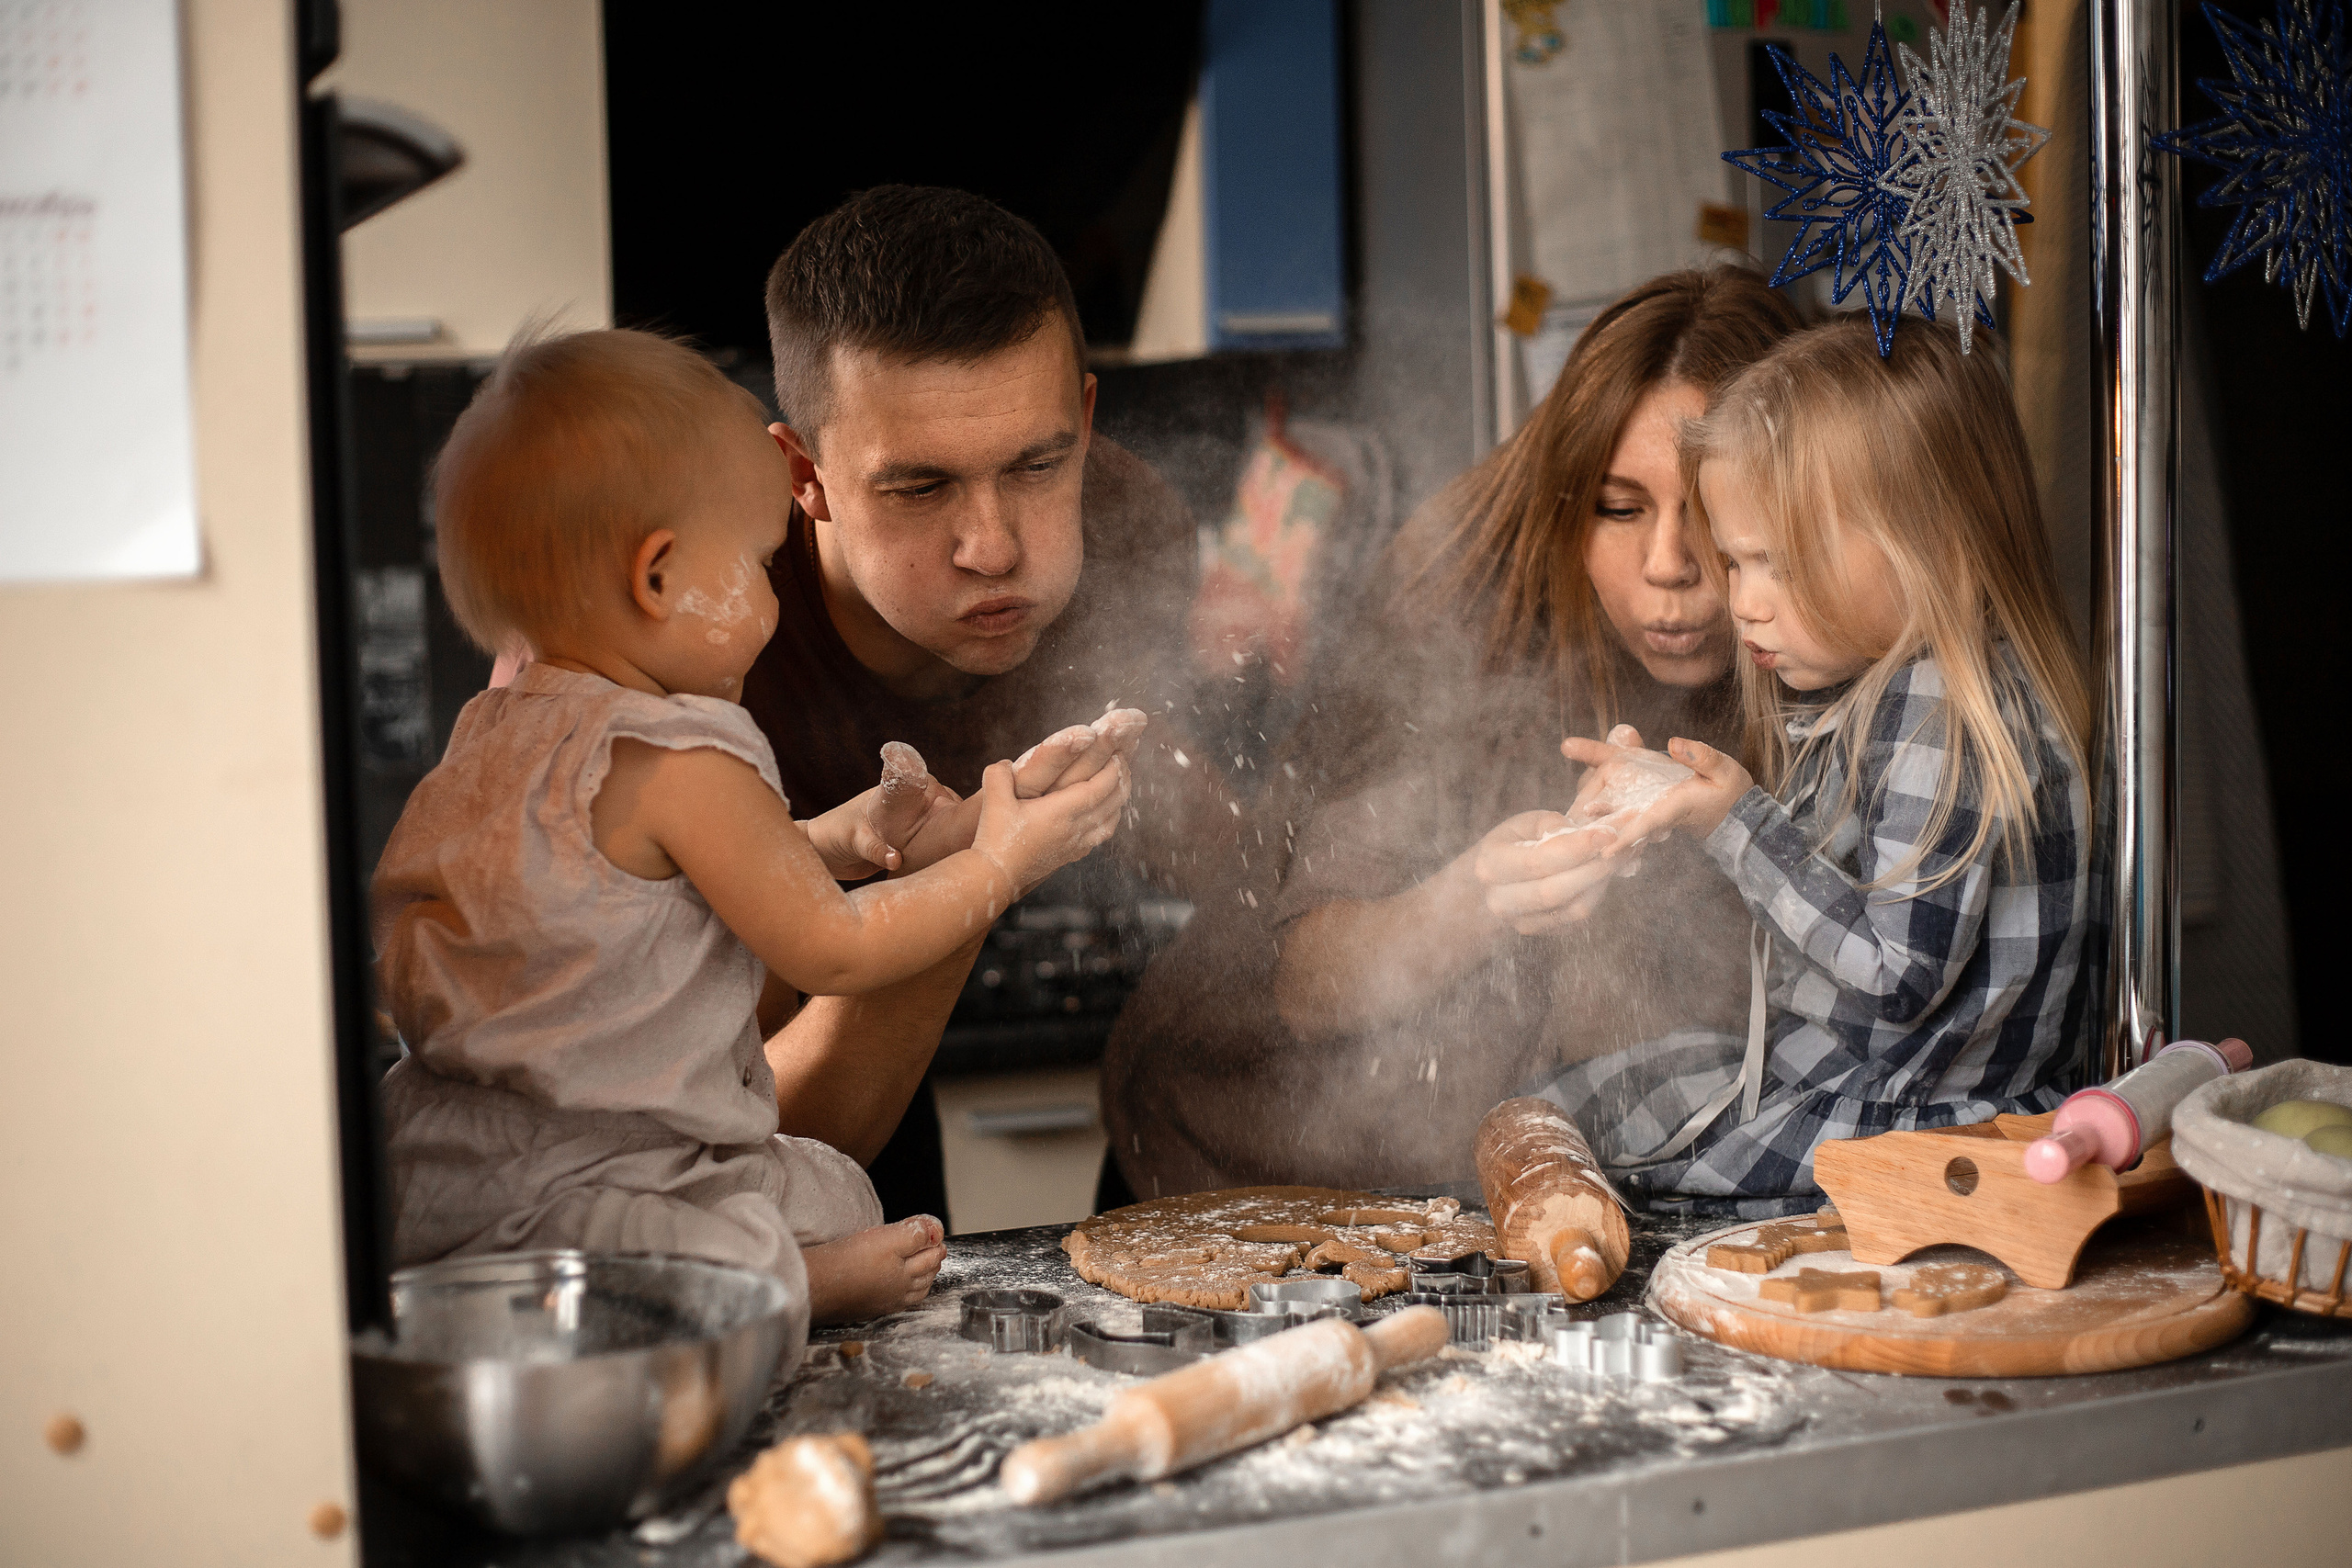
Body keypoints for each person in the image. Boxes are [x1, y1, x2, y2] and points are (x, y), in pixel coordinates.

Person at [370, 330, 1135, 1341]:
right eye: (758, 564)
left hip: (449, 1174)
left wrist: (844, 839)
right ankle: (794, 1284)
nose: (775, 597)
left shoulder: (494, 738)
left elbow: (646, 893)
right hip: (627, 1177)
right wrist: (1002, 861)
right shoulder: (683, 753)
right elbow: (834, 948)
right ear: (658, 578)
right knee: (840, 1198)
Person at [1102, 268, 1803, 1197]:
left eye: (1711, 514)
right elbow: (1308, 983)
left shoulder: (1823, 645)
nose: (1669, 564)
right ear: (1567, 500)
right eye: (1618, 507)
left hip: (1506, 1185)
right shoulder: (1459, 604)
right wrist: (1479, 895)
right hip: (1231, 1164)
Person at [740, 186, 1227, 1221]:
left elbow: (1183, 809)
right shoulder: (707, 618)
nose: (995, 549)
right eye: (920, 488)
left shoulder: (1132, 532)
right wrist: (977, 868)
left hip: (884, 1020)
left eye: (1038, 464)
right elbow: (749, 1139)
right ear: (804, 474)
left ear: (1083, 422)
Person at [1538, 313, 2094, 1218]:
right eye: (1736, 561)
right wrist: (1678, 796)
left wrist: (1733, 821)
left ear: (1931, 541)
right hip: (1869, 1088)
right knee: (1579, 1097)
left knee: (1569, 1120)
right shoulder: (1906, 689)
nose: (1745, 604)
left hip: (1910, 1126)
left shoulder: (1939, 713)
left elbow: (1895, 975)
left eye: (1781, 564)